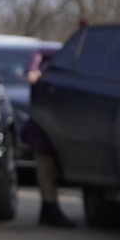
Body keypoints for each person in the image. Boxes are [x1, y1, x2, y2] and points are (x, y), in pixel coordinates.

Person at [21, 52, 75, 228]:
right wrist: (32, 69)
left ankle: (49, 208)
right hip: (45, 125)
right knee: (46, 167)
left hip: (67, 125)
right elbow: (38, 52)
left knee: (52, 169)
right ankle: (49, 206)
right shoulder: (65, 53)